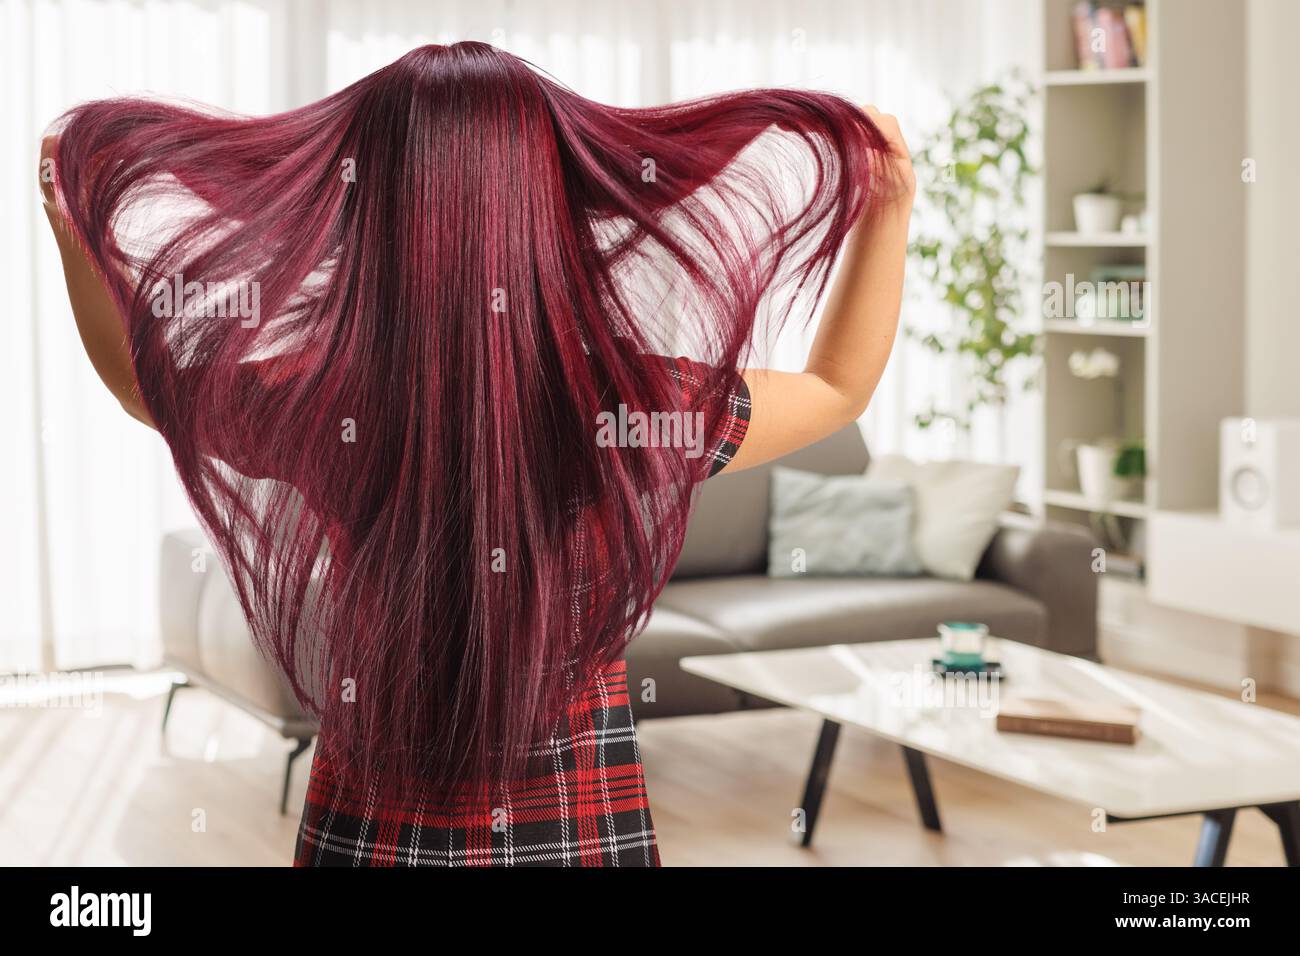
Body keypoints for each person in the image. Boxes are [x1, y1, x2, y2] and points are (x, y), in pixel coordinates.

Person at [40, 41, 912, 866]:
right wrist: (890, 208)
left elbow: (138, 386)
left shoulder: (315, 400)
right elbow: (839, 389)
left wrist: (72, 230)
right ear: (549, 201)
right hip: (578, 822)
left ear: (363, 203)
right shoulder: (632, 403)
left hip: (374, 824)